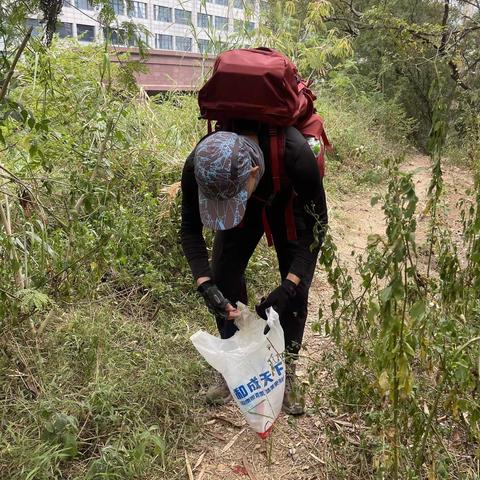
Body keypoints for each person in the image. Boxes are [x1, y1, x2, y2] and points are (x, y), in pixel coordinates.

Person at [180, 121, 328, 415]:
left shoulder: (297, 155)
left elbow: (316, 229)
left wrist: (289, 285)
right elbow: (190, 229)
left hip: (288, 200)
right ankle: (234, 364)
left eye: (231, 201)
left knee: (297, 292)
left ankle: (288, 368)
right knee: (222, 276)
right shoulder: (199, 164)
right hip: (246, 198)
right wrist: (205, 284)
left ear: (252, 173)